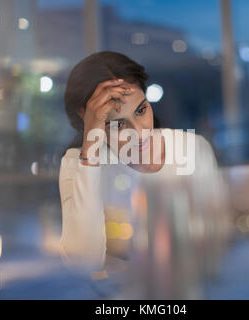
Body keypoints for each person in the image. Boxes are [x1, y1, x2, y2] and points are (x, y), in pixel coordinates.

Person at [59, 51, 230, 275]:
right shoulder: (78, 164)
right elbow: (82, 263)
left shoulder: (191, 148)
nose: (139, 133)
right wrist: (89, 154)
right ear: (90, 123)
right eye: (118, 124)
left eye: (141, 110)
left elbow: (221, 240)